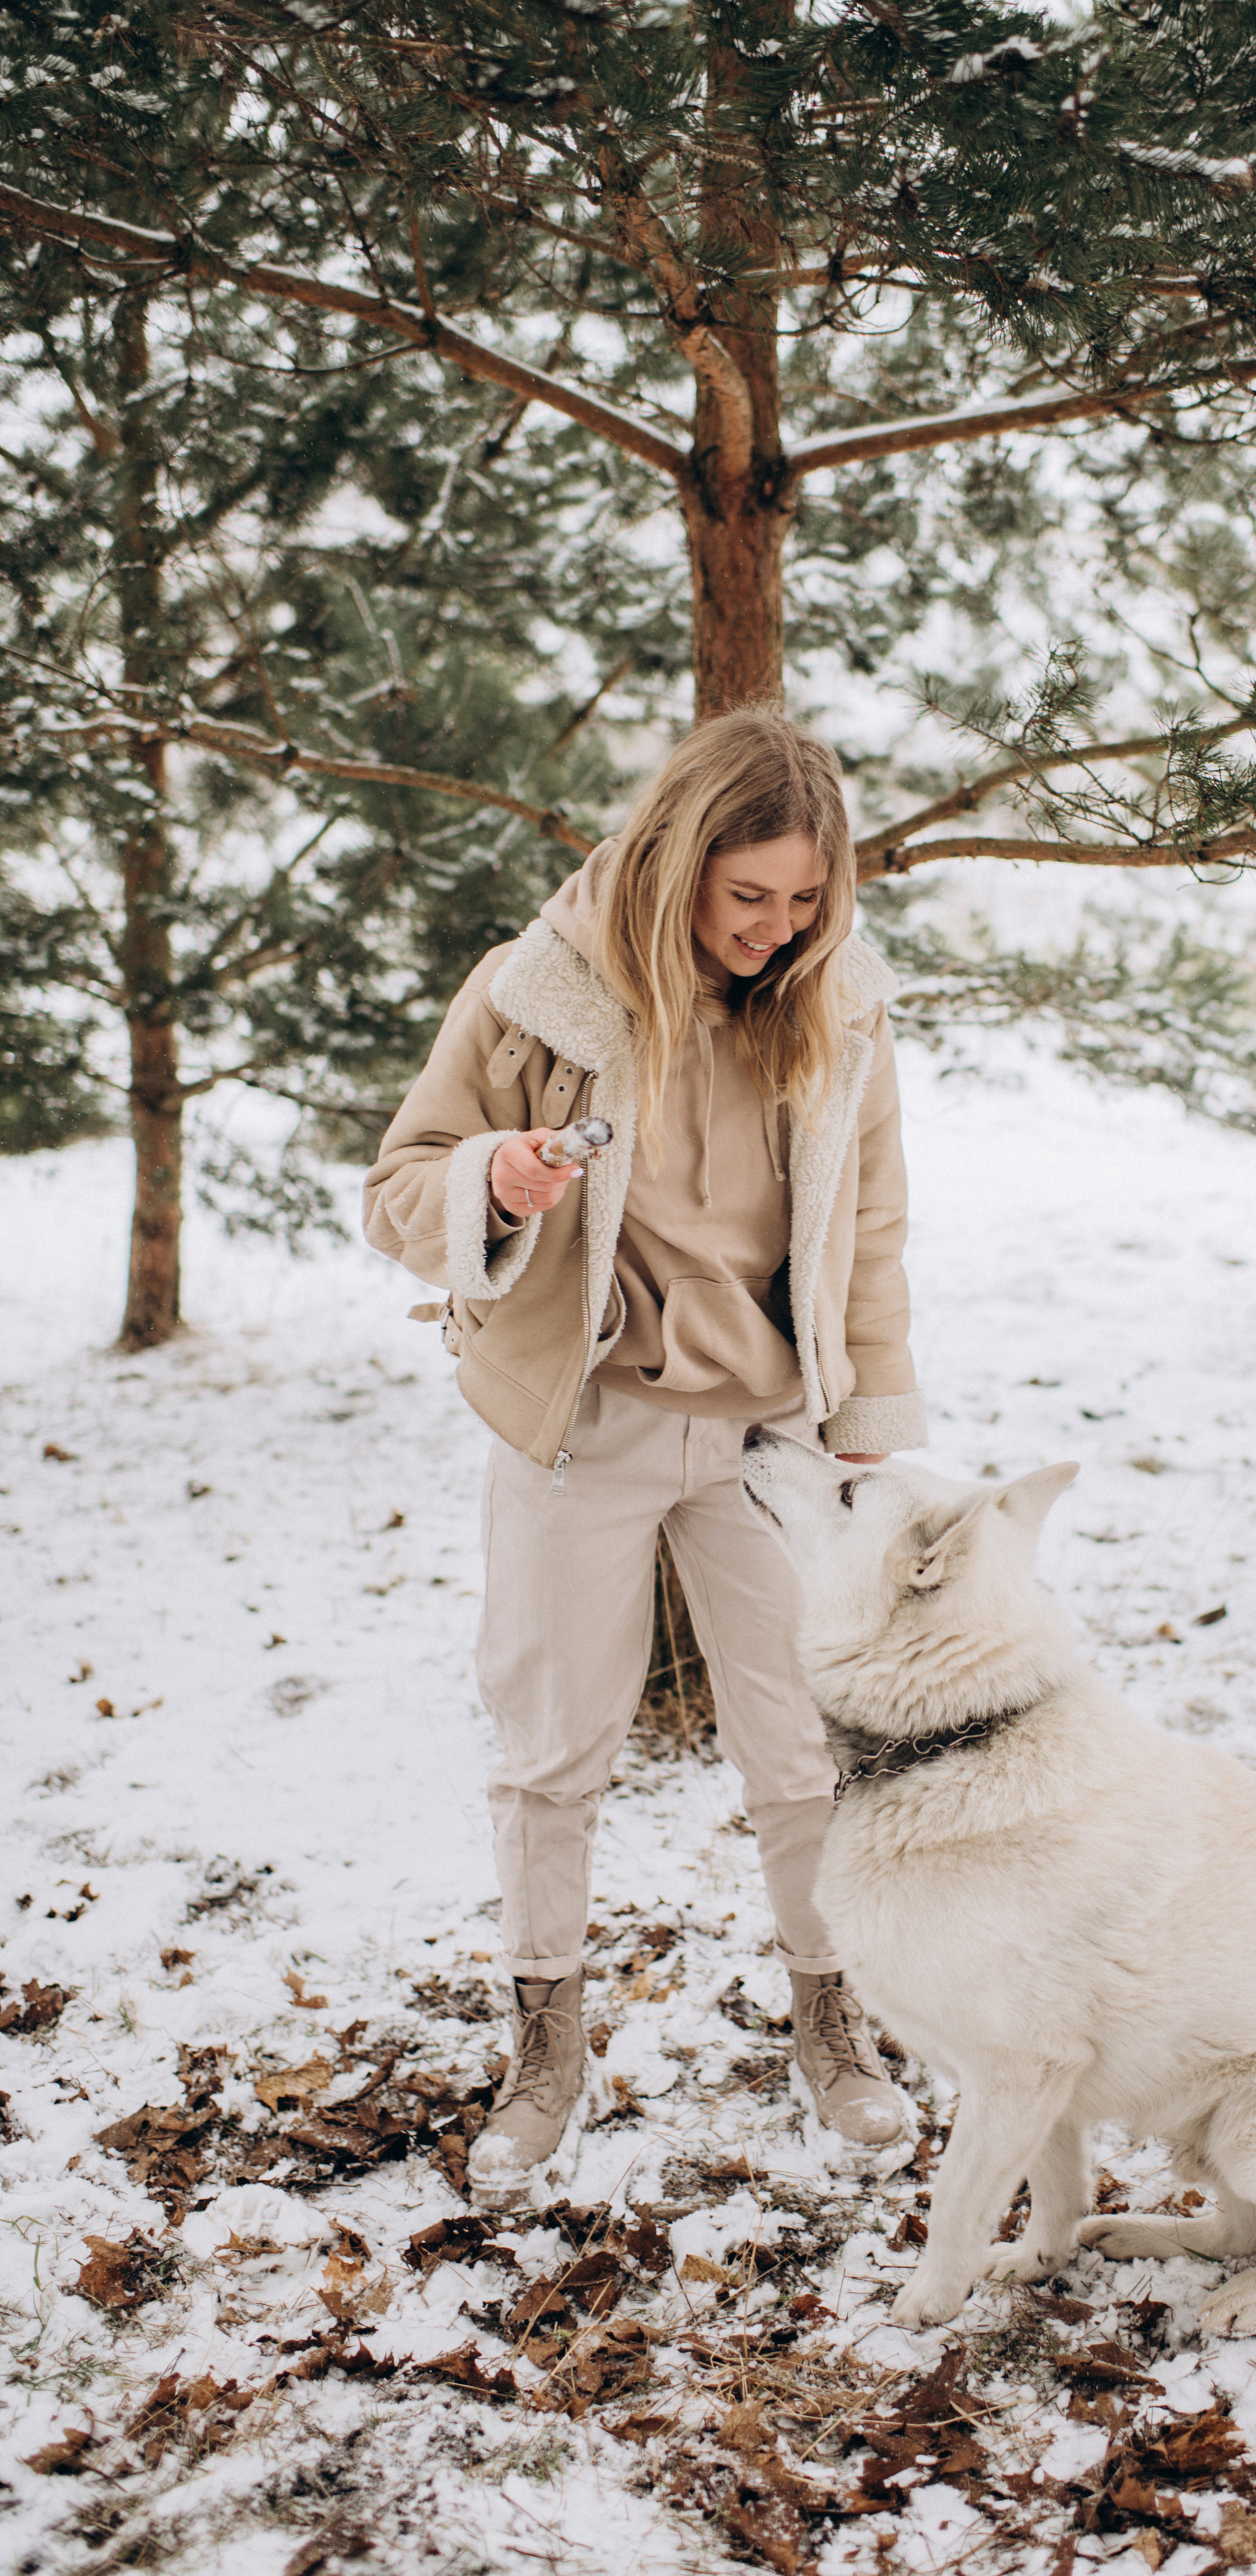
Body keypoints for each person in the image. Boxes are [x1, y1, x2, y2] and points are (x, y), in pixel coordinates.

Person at [364, 709, 926, 2194]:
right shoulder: (539, 991)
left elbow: (870, 1234)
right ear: (678, 857)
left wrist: (866, 1430)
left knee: (805, 1750)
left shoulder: (839, 1005)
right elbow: (397, 1184)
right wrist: (495, 1181)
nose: (775, 927)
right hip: (584, 1421)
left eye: (804, 898)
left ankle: (833, 2025)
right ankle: (544, 2046)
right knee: (553, 1752)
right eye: (747, 894)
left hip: (771, 1441)